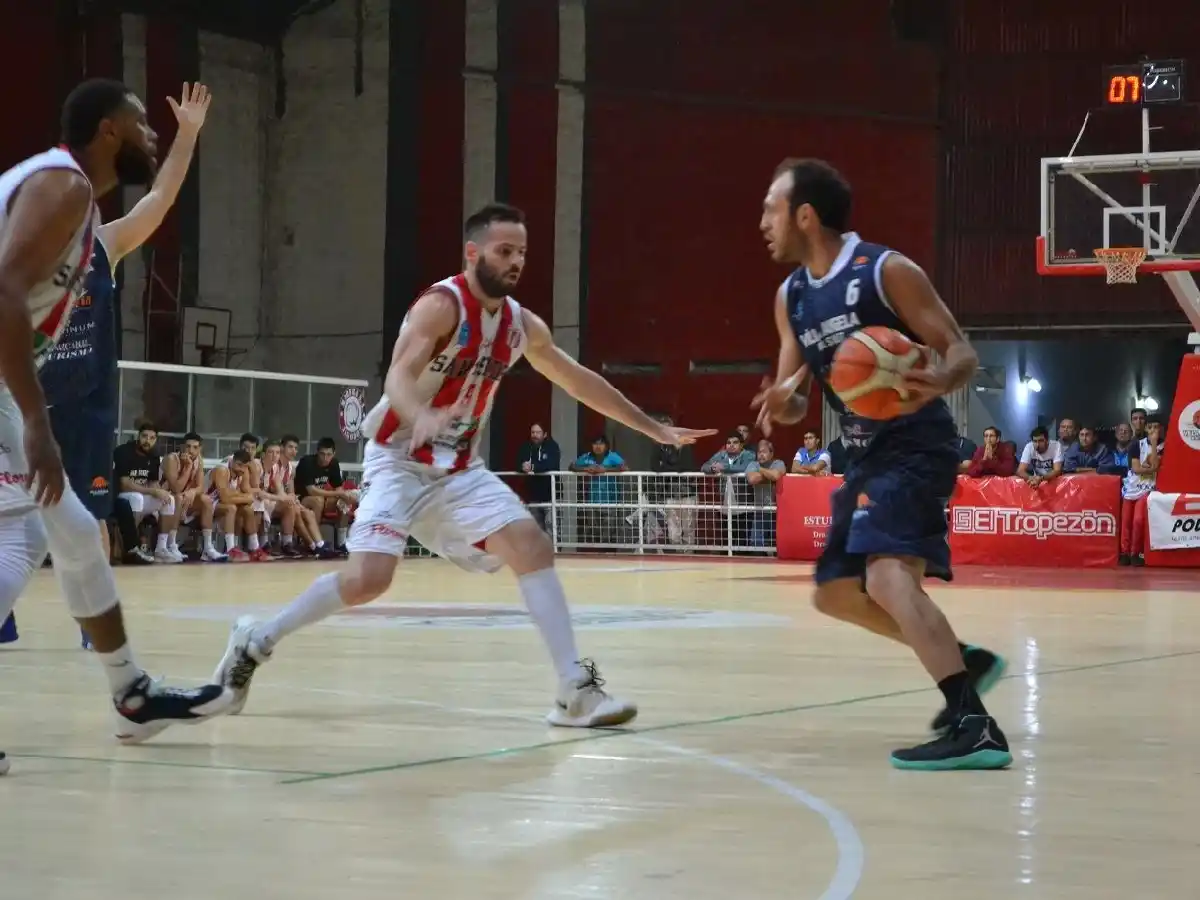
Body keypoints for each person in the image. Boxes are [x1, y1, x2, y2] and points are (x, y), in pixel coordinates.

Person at [212, 203, 715, 725]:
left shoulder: (521, 325)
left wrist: (651, 426)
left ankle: (574, 690)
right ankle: (256, 641)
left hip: (458, 469)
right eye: (505, 251)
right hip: (398, 460)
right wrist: (419, 415)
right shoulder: (440, 306)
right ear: (473, 253)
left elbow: (577, 379)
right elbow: (398, 376)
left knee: (532, 545)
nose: (516, 261)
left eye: (522, 253)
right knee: (368, 580)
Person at [0, 79, 233, 760]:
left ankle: (132, 695)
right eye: (141, 123)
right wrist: (37, 423)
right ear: (107, 130)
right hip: (16, 395)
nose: (150, 133)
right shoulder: (63, 186)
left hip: (13, 390)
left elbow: (159, 200)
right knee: (38, 534)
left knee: (67, 532)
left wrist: (188, 137)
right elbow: (3, 290)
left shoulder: (84, 223)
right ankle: (131, 693)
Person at [753, 158, 1010, 770]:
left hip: (917, 442)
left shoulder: (886, 271)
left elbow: (961, 350)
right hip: (864, 455)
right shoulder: (791, 297)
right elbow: (795, 397)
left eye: (770, 208)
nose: (762, 222)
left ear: (805, 215)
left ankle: (974, 725)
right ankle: (962, 660)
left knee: (889, 579)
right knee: (836, 596)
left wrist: (939, 378)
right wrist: (785, 404)